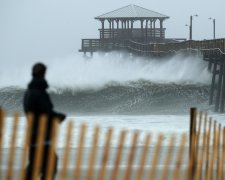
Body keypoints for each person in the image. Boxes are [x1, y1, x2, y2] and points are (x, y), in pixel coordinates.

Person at [23, 62, 66, 180]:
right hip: (41, 135)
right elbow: (46, 113)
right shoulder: (39, 93)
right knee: (50, 163)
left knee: (35, 164)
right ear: (43, 74)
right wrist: (59, 116)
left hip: (32, 134)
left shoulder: (28, 92)